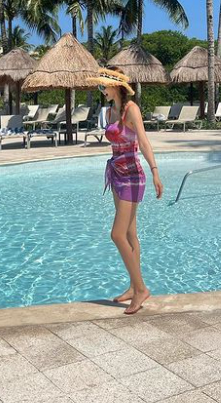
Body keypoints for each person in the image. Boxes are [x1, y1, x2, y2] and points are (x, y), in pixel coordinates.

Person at [87, 66, 163, 315]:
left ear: (115, 86)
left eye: (103, 85)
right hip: (116, 174)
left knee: (117, 234)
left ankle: (141, 288)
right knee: (130, 234)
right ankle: (132, 287)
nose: (101, 89)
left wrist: (155, 171)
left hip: (132, 176)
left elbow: (143, 141)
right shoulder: (110, 111)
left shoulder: (132, 109)